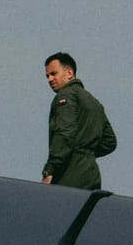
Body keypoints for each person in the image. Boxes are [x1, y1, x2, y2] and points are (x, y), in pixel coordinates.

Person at [42, 52, 114, 189]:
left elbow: (64, 133)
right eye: (47, 76)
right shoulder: (94, 102)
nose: (50, 79)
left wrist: (50, 169)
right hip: (92, 177)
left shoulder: (66, 96)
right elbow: (109, 142)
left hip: (69, 176)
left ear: (69, 73)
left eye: (53, 73)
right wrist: (87, 153)